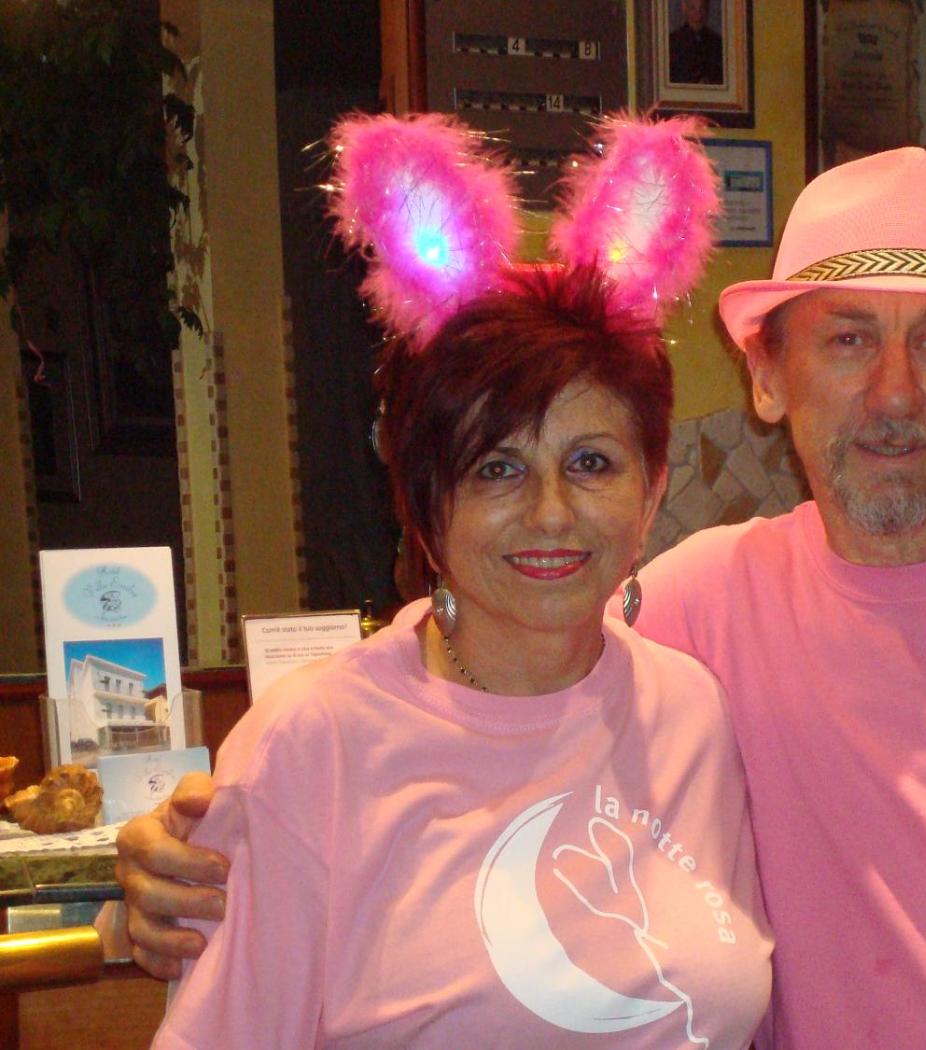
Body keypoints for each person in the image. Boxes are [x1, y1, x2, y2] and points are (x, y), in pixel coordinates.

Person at [118, 147, 926, 1050]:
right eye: (846, 338)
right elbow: (485, 666)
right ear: (768, 380)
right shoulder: (687, 607)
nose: (893, 392)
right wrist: (196, 842)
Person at [144, 266, 773, 1049]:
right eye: (496, 468)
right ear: (422, 502)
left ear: (650, 493)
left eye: (590, 463)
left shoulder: (692, 710)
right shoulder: (311, 743)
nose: (551, 512)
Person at [669, 0, 723, 85]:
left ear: (708, 10)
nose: (698, 15)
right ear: (684, 9)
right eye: (692, 8)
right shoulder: (672, 42)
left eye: (702, 9)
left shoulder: (717, 42)